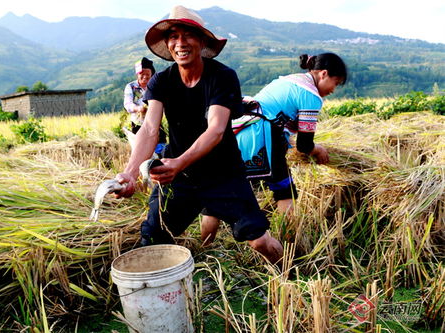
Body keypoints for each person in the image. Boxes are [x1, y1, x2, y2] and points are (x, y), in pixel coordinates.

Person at [113, 5, 283, 264]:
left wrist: (178, 162)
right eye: (173, 36)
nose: (180, 43)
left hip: (223, 174)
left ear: (202, 41)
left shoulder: (222, 77)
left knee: (258, 239)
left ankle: (287, 277)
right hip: (180, 179)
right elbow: (149, 129)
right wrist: (130, 172)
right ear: (167, 44)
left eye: (188, 35)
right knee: (153, 239)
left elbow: (215, 130)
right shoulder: (161, 82)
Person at [201, 53, 348, 244]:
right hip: (264, 137)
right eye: (335, 83)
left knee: (220, 192)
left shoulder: (289, 80)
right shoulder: (311, 95)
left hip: (237, 132)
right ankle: (290, 245)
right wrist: (317, 149)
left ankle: (204, 248)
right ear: (324, 74)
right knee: (285, 191)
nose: (333, 90)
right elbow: (304, 145)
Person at [123, 57, 167, 152]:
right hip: (138, 124)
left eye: (147, 74)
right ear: (137, 74)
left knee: (160, 149)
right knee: (141, 150)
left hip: (156, 124)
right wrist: (138, 109)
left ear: (152, 74)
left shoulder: (155, 86)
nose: (145, 77)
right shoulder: (131, 87)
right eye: (141, 74)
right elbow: (128, 104)